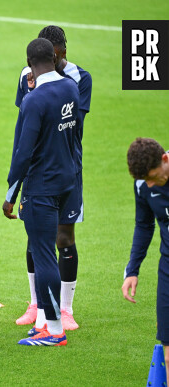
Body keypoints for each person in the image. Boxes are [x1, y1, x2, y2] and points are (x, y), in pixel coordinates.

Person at [14, 25, 92, 331]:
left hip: (67, 168)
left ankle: (65, 308)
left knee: (64, 237)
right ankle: (37, 304)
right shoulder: (26, 75)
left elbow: (74, 126)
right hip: (36, 171)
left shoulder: (79, 78)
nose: (64, 56)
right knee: (37, 237)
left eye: (65, 51)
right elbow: (26, 120)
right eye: (60, 52)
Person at [3, 37, 79, 346]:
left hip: (41, 187)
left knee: (44, 255)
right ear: (54, 57)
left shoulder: (34, 100)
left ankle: (54, 329)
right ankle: (49, 323)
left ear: (30, 63)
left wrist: (11, 193)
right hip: (66, 182)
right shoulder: (71, 88)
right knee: (49, 251)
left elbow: (23, 152)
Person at [123, 137, 169, 386]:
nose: (150, 184)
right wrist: (133, 269)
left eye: (153, 176)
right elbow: (144, 224)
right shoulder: (143, 184)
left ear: (165, 159)